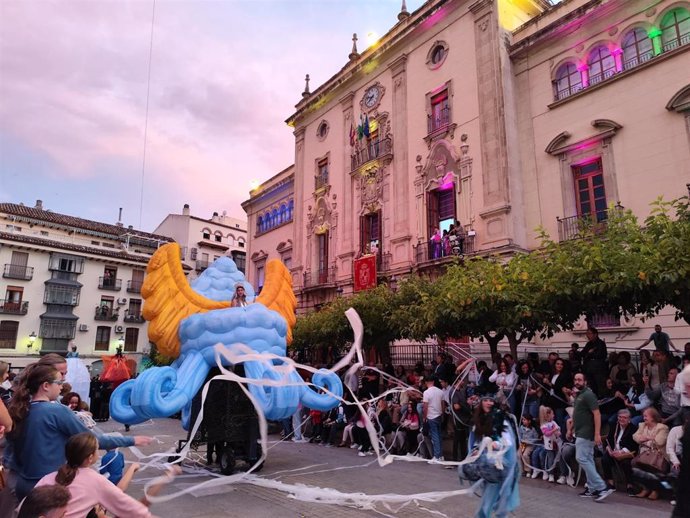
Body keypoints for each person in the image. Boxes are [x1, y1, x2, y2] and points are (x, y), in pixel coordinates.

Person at [6, 365, 152, 500]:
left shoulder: (20, 410)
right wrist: (131, 440)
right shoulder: (56, 410)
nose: (62, 386)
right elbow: (93, 440)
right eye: (59, 382)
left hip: (23, 484)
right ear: (45, 386)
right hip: (48, 487)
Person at [36, 432, 177, 518]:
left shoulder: (48, 477)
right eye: (98, 450)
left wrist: (132, 469)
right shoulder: (93, 480)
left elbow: (24, 508)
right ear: (91, 458)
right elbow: (133, 508)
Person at [459, 396, 519, 518]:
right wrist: (477, 450)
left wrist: (495, 444)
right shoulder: (479, 419)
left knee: (498, 496)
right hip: (486, 465)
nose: (488, 403)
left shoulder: (501, 419)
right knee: (491, 496)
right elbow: (476, 441)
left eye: (491, 400)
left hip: (500, 465)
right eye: (485, 400)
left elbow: (508, 442)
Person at [569, 372, 614, 501]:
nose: (577, 382)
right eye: (575, 379)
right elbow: (577, 415)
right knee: (587, 459)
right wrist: (570, 429)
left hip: (586, 432)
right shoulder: (579, 395)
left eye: (579, 380)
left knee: (581, 458)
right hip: (580, 431)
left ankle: (601, 487)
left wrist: (597, 433)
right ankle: (592, 488)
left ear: (585, 381)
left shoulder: (588, 395)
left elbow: (597, 414)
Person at [631, 407, 670, 500]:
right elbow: (635, 437)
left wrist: (644, 439)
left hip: (658, 456)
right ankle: (645, 488)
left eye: (646, 416)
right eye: (643, 416)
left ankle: (655, 490)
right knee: (634, 463)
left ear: (652, 417)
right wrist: (649, 438)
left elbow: (659, 441)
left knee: (653, 467)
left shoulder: (662, 428)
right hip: (644, 455)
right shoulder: (642, 425)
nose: (644, 418)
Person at [602, 409, 638, 493]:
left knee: (626, 463)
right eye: (620, 417)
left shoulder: (633, 429)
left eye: (624, 418)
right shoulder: (614, 426)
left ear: (629, 419)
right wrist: (610, 449)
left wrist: (621, 452)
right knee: (605, 459)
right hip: (613, 451)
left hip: (626, 453)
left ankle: (630, 486)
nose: (621, 419)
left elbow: (633, 445)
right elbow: (609, 439)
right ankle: (610, 483)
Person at [581, 326, 608, 397]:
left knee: (600, 387)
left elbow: (600, 355)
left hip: (598, 369)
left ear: (595, 334)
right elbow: (583, 353)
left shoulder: (601, 343)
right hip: (589, 368)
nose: (588, 336)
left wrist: (590, 354)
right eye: (587, 334)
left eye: (589, 334)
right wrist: (589, 353)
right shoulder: (588, 344)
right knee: (591, 386)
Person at [422, 376, 445, 461]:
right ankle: (441, 455)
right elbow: (443, 404)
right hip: (439, 415)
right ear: (433, 382)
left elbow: (425, 407)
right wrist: (442, 414)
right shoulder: (440, 391)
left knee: (435, 437)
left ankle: (437, 456)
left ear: (426, 382)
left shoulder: (426, 393)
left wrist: (424, 417)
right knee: (439, 436)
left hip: (431, 416)